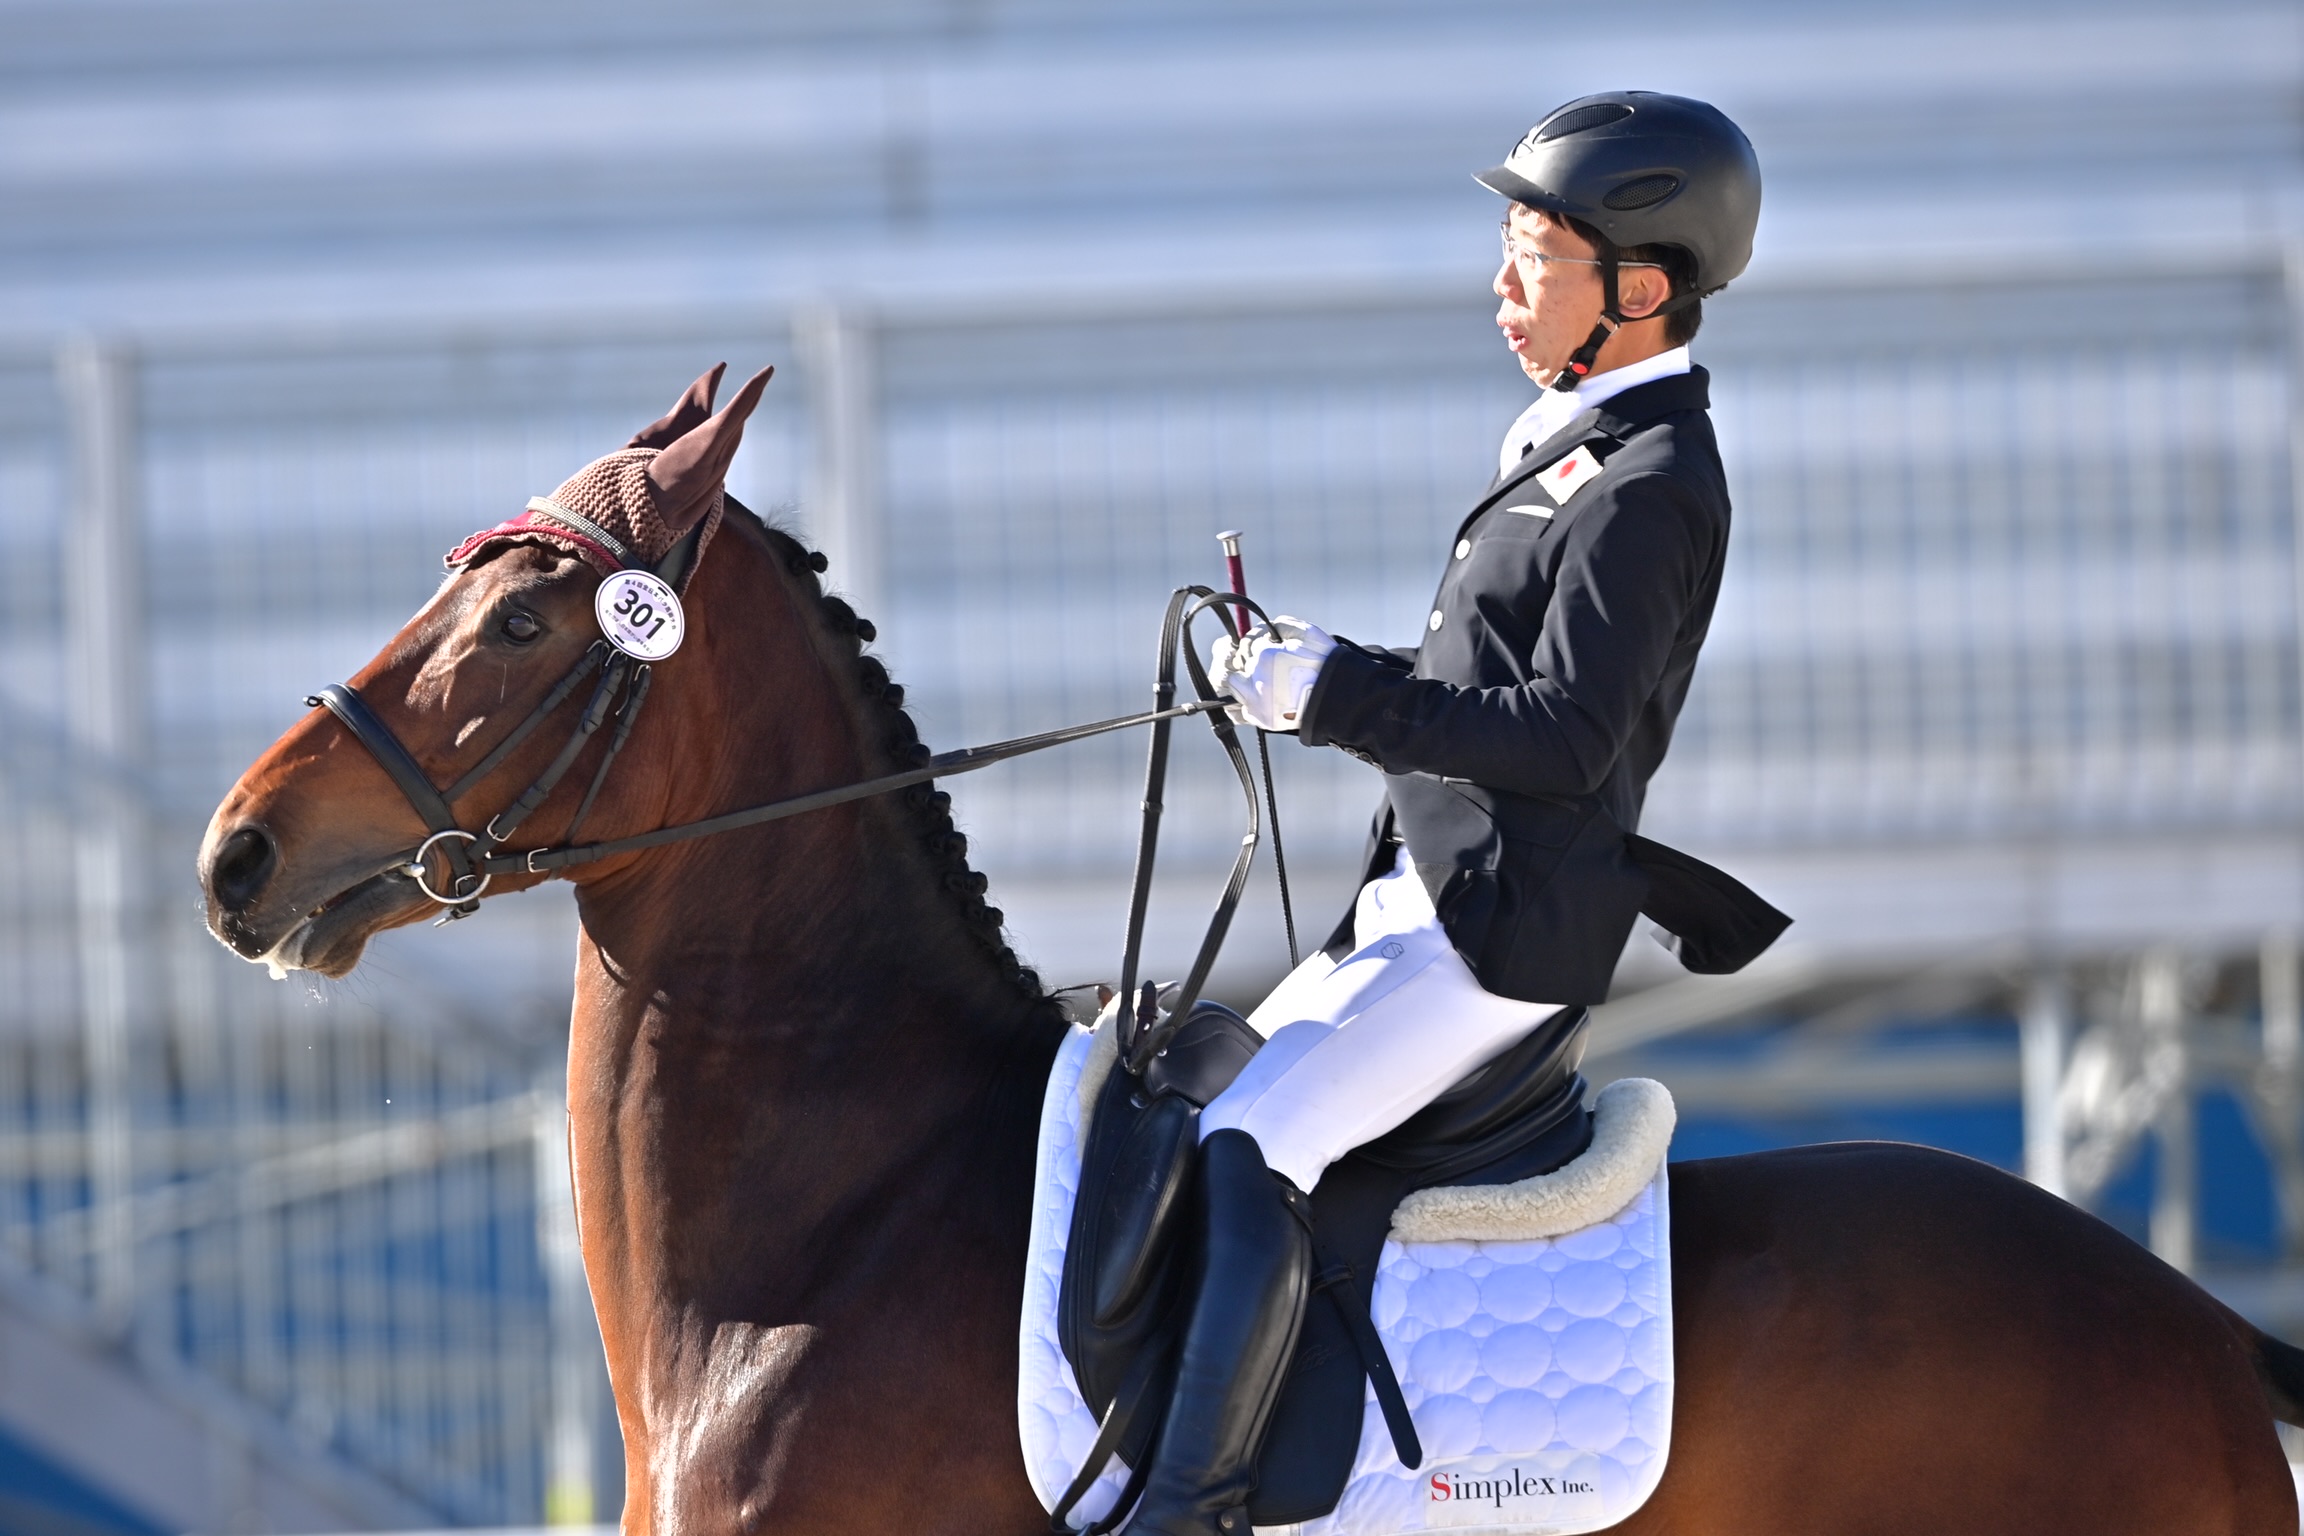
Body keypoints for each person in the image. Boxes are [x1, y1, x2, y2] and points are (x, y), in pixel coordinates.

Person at [1124, 91, 1774, 1536]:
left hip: (1501, 936)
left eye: (1535, 260)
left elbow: (1562, 737)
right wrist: (1303, 675)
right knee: (1199, 1105)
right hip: (1430, 886)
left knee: (1256, 1147)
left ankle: (1193, 1501)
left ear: (1642, 289)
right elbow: (1480, 680)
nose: (1501, 283)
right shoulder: (1570, 439)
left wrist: (1341, 693)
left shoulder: (1649, 485)